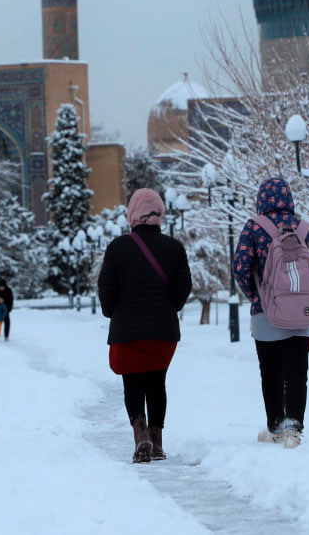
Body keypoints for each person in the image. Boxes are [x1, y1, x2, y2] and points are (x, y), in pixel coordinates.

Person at [233, 177, 309, 449]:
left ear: (261, 199)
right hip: (302, 312)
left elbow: (240, 267)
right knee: (298, 371)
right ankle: (294, 429)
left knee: (271, 371)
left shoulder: (254, 227)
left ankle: (276, 426)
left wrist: (255, 295)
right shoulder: (304, 229)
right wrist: (305, 296)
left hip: (265, 312)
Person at [97, 188, 192, 463]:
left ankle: (141, 436)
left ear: (134, 214)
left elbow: (106, 288)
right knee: (157, 383)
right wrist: (168, 307)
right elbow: (183, 287)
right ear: (159, 214)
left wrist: (113, 312)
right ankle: (158, 442)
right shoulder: (174, 248)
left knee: (133, 383)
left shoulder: (118, 248)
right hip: (163, 331)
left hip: (128, 330)